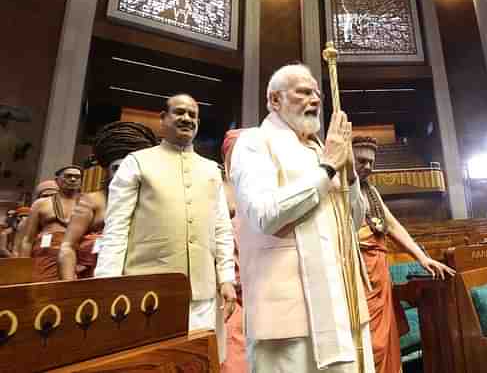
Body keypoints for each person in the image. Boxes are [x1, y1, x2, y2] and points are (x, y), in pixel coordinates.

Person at [230, 64, 375, 373]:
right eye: (304, 92)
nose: (315, 99)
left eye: (318, 94)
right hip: (288, 317)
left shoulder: (320, 149)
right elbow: (265, 214)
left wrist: (349, 177)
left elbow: (352, 223)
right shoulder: (254, 142)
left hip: (341, 305)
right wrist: (327, 170)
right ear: (274, 100)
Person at [94, 94, 236, 343]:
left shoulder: (211, 169)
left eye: (193, 115)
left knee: (197, 361)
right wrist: (107, 283)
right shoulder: (136, 162)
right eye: (179, 112)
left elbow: (222, 229)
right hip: (147, 292)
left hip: (202, 294)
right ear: (163, 118)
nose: (187, 119)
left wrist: (226, 278)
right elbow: (116, 228)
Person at [352, 136, 455, 373]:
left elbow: (394, 226)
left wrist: (422, 257)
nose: (367, 166)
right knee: (366, 341)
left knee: (385, 339)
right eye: (361, 160)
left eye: (371, 162)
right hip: (356, 275)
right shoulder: (337, 188)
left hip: (379, 274)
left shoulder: (372, 192)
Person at [58, 121, 158, 280]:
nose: (122, 175)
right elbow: (67, 247)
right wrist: (70, 289)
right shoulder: (92, 201)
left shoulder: (149, 201)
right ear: (107, 171)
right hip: (94, 282)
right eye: (117, 168)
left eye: (128, 168)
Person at [20, 166, 83, 281]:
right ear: (57, 180)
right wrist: (24, 269)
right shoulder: (41, 204)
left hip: (75, 255)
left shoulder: (86, 204)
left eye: (77, 177)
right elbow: (28, 239)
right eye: (68, 176)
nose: (73, 179)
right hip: (44, 256)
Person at [220, 129, 249, 373]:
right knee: (234, 358)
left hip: (261, 288)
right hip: (230, 287)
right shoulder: (218, 189)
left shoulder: (264, 189)